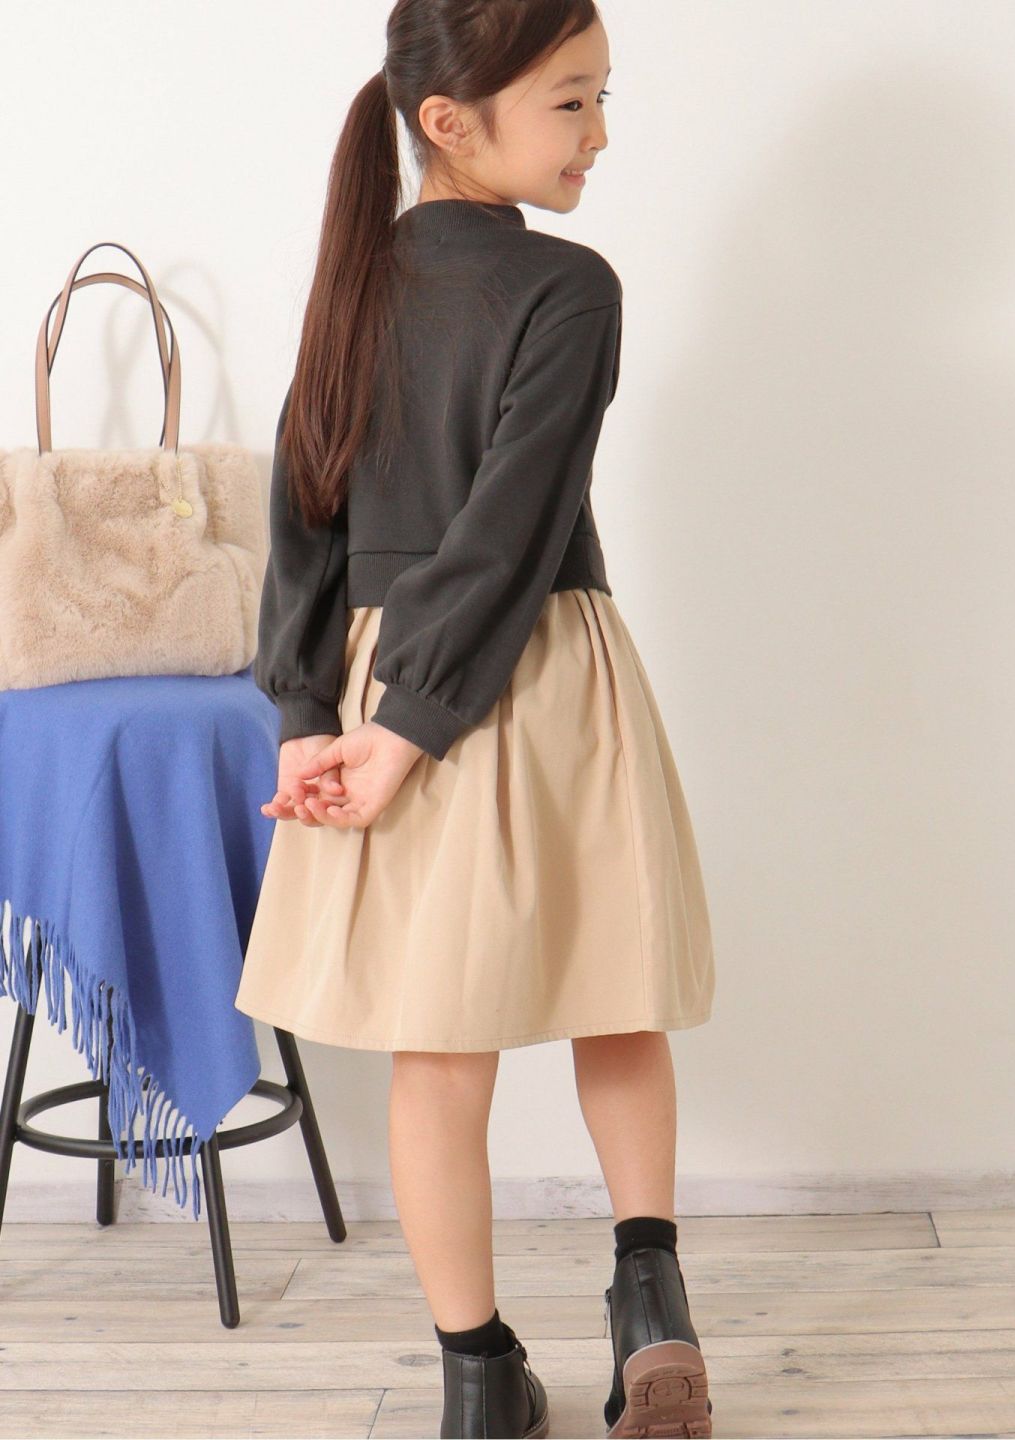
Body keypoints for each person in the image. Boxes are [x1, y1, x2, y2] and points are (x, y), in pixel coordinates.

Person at [234, 4, 717, 1436]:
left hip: (386, 689)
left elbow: (301, 521)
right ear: (450, 120)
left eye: (603, 97)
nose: (600, 134)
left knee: (437, 1053)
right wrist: (393, 726)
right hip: (542, 673)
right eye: (571, 101)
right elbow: (512, 528)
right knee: (612, 997)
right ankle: (648, 1296)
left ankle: (477, 1379)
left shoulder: (352, 283)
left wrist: (316, 713)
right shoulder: (569, 290)